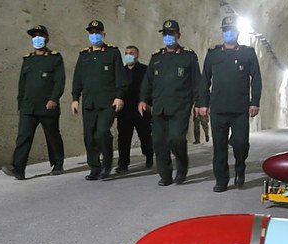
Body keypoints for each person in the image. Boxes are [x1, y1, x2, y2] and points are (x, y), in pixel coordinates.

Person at [197, 16, 262, 192]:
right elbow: (204, 80)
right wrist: (202, 103)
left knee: (240, 143)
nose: (229, 33)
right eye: (226, 30)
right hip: (218, 108)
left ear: (237, 32)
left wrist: (254, 101)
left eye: (232, 30)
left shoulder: (248, 53)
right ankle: (221, 180)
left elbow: (256, 78)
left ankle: (240, 168)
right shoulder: (213, 54)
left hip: (240, 108)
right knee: (219, 146)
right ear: (222, 32)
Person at [139, 20, 202, 186]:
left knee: (176, 139)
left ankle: (182, 167)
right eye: (165, 34)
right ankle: (165, 175)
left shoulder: (189, 56)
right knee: (159, 142)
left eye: (171, 34)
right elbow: (148, 81)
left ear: (178, 35)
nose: (168, 37)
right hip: (159, 106)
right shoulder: (156, 58)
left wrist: (199, 103)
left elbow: (197, 82)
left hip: (180, 107)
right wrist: (143, 100)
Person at [3, 25, 65, 180]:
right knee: (23, 136)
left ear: (47, 38)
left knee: (52, 136)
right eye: (34, 36)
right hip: (28, 106)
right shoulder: (28, 59)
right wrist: (20, 104)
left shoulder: (55, 58)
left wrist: (53, 99)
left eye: (40, 35)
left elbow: (59, 81)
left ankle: (58, 164)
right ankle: (18, 168)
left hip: (47, 106)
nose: (37, 38)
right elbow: (22, 84)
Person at [71, 20, 126, 180]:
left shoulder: (112, 53)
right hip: (89, 102)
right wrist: (75, 98)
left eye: (97, 32)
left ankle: (107, 164)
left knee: (102, 132)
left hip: (108, 102)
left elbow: (120, 77)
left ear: (103, 34)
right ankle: (95, 168)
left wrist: (119, 96)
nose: (94, 35)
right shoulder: (84, 55)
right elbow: (77, 79)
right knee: (89, 136)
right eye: (91, 32)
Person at [116, 45, 154, 173]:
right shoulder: (120, 71)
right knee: (123, 138)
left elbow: (150, 88)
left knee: (145, 136)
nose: (128, 55)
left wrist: (149, 104)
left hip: (141, 110)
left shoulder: (145, 70)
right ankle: (123, 164)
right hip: (125, 110)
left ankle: (149, 155)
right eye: (126, 53)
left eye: (131, 53)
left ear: (137, 55)